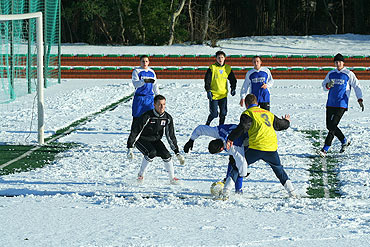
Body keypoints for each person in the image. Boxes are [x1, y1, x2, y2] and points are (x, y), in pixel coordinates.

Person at [226, 94, 296, 197]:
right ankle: (292, 192)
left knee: (237, 166)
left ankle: (226, 191)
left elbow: (243, 127)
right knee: (279, 170)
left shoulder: (248, 113)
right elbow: (280, 125)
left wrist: (231, 138)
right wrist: (287, 122)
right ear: (257, 103)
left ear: (246, 104)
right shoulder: (267, 113)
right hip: (271, 148)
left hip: (256, 148)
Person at [127, 95, 185, 184]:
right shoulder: (147, 116)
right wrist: (130, 147)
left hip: (155, 140)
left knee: (166, 155)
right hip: (141, 139)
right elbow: (136, 131)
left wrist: (177, 152)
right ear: (154, 105)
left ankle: (172, 178)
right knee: (151, 153)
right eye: (159, 105)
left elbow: (170, 135)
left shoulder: (167, 118)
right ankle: (140, 175)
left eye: (164, 104)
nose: (162, 107)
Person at [317, 53, 364, 157]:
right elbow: (324, 85)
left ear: (343, 63)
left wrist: (359, 99)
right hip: (330, 103)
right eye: (336, 62)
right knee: (329, 126)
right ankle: (344, 140)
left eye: (339, 62)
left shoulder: (348, 74)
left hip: (341, 104)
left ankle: (325, 149)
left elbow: (357, 86)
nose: (338, 64)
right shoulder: (331, 73)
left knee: (333, 126)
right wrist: (327, 85)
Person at [183, 124, 249, 196]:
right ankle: (229, 182)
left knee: (236, 167)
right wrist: (191, 140)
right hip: (238, 130)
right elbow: (201, 128)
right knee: (233, 162)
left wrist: (243, 173)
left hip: (249, 140)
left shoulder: (233, 147)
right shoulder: (217, 132)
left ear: (221, 149)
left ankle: (238, 192)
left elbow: (242, 162)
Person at [204, 50, 237, 126]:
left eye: (222, 57)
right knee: (214, 114)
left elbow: (233, 79)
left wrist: (233, 88)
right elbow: (207, 80)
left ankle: (220, 126)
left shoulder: (227, 68)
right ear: (216, 59)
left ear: (224, 58)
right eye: (219, 57)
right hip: (214, 95)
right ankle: (207, 123)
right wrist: (208, 91)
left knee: (223, 113)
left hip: (223, 95)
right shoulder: (212, 68)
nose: (220, 59)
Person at [131, 55, 159, 126]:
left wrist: (158, 95)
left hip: (149, 98)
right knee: (137, 116)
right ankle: (134, 132)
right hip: (139, 97)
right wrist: (143, 81)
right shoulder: (137, 71)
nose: (144, 63)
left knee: (151, 116)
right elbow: (135, 84)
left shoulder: (151, 72)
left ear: (149, 62)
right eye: (143, 61)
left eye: (146, 61)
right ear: (140, 62)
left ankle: (148, 132)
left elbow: (155, 85)